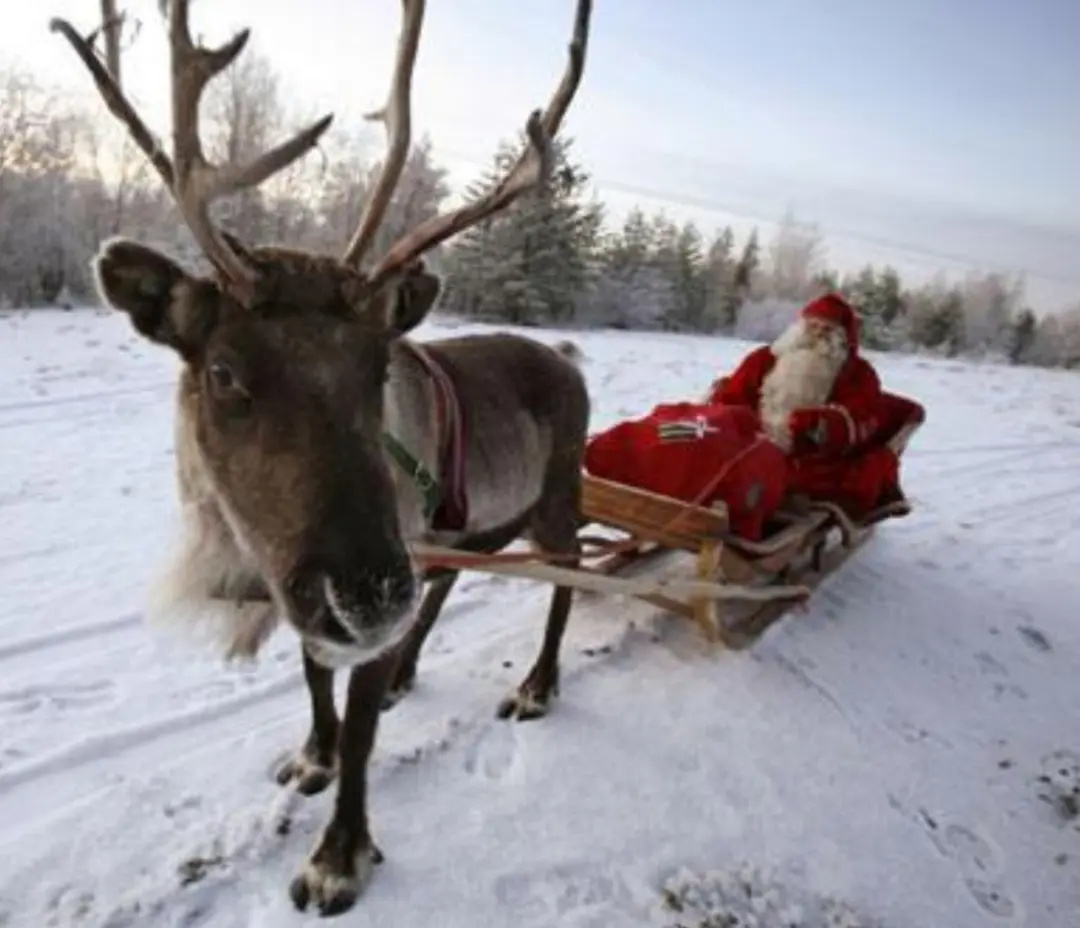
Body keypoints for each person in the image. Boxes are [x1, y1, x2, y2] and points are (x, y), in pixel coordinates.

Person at [707, 292, 922, 522]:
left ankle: (776, 512)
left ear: (842, 338)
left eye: (828, 330)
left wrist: (826, 425)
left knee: (833, 481)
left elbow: (865, 415)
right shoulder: (763, 359)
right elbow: (734, 397)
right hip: (754, 445)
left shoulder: (858, 374)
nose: (818, 333)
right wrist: (733, 419)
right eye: (812, 326)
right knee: (708, 455)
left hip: (814, 457)